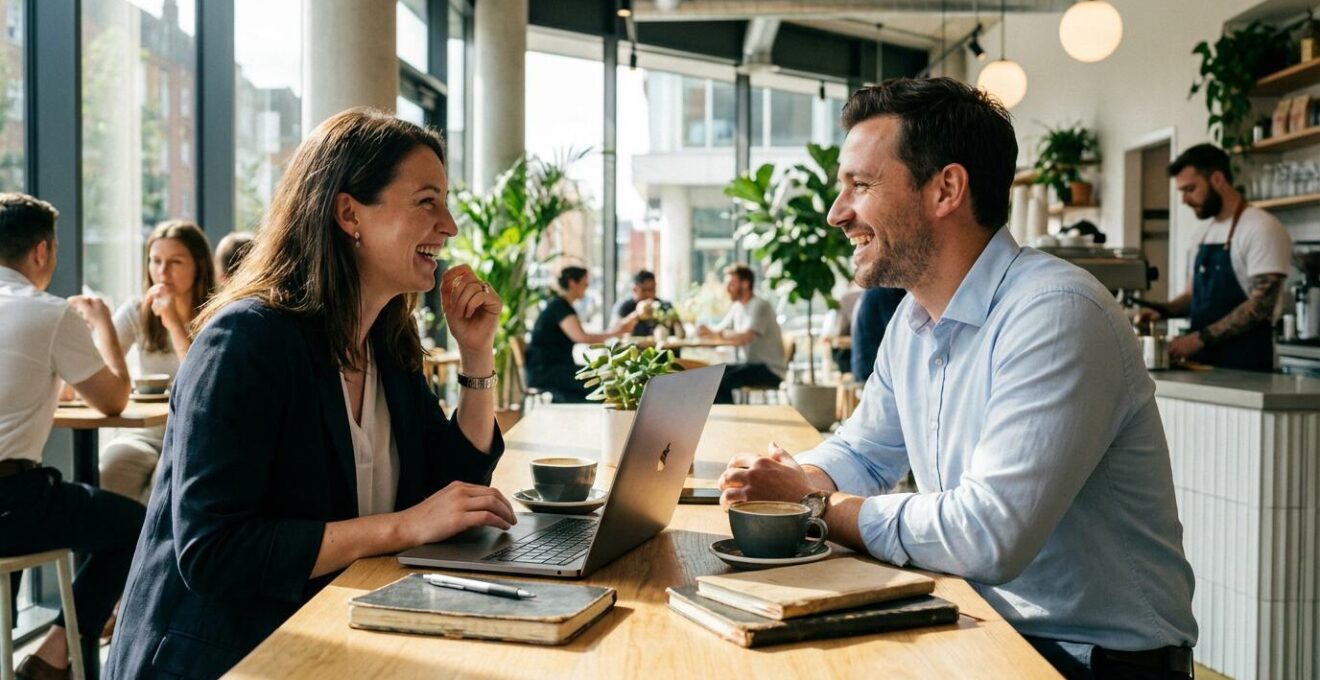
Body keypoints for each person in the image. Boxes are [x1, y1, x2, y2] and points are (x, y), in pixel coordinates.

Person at [717, 78, 1197, 679]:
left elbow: (988, 534)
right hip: (982, 627)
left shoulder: (1056, 312)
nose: (838, 212)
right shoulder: (912, 320)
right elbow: (864, 451)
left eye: (860, 185)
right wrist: (790, 481)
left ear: (946, 189)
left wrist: (813, 504)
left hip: (1090, 661)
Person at [104, 108, 516, 680]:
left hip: (327, 637)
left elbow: (451, 494)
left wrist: (476, 354)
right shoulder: (245, 341)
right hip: (221, 658)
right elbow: (215, 553)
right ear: (349, 213)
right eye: (427, 202)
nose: (448, 225)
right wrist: (402, 526)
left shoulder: (386, 343)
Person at [0, 192, 145, 680]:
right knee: (136, 526)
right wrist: (104, 326)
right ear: (42, 251)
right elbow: (114, 400)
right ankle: (54, 654)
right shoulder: (48, 312)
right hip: (11, 502)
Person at [1136, 143, 1290, 372]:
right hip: (1203, 364)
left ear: (1217, 180)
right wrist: (1163, 311)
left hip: (1246, 367)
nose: (1184, 200)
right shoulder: (1202, 234)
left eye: (1190, 189)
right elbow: (1192, 296)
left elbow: (1261, 305)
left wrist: (1198, 339)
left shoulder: (1261, 227)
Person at [99, 220, 216, 505]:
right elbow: (97, 366)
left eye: (175, 262)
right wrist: (100, 324)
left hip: (193, 433)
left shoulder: (217, 313)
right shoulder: (137, 311)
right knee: (113, 463)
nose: (162, 272)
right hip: (144, 433)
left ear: (198, 266)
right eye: (155, 261)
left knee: (166, 481)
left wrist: (173, 323)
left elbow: (200, 380)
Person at [525, 266, 637, 403]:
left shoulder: (561, 305)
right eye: (585, 283)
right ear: (573, 283)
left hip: (554, 368)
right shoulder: (559, 306)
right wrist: (615, 333)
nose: (587, 287)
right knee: (600, 384)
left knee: (599, 380)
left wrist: (615, 332)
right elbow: (581, 337)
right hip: (546, 371)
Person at [697, 264, 787, 404]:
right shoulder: (737, 306)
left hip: (769, 369)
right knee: (712, 375)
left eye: (731, 284)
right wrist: (705, 330)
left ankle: (729, 416)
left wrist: (719, 333)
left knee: (721, 381)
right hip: (749, 365)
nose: (727, 288)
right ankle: (723, 414)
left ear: (745, 284)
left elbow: (744, 338)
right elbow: (718, 331)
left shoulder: (760, 305)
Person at [849, 286, 906, 382]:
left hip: (862, 368)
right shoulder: (885, 292)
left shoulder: (873, 291)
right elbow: (900, 335)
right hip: (871, 373)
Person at [612, 269, 683, 338]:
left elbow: (681, 334)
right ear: (635, 289)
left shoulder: (665, 306)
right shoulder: (625, 306)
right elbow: (614, 331)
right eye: (645, 290)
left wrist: (675, 321)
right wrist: (637, 314)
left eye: (653, 289)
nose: (650, 294)